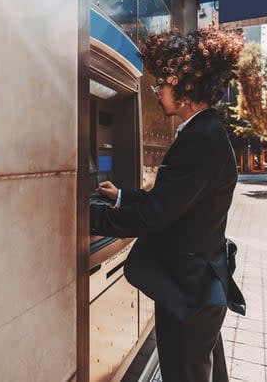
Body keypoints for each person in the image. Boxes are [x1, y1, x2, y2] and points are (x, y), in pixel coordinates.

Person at [90, 27, 246, 382]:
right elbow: (176, 201)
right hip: (200, 284)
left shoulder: (199, 139)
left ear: (183, 85)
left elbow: (155, 216)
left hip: (187, 291)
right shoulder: (206, 132)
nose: (158, 91)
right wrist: (123, 197)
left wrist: (86, 216)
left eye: (162, 82)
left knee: (184, 372)